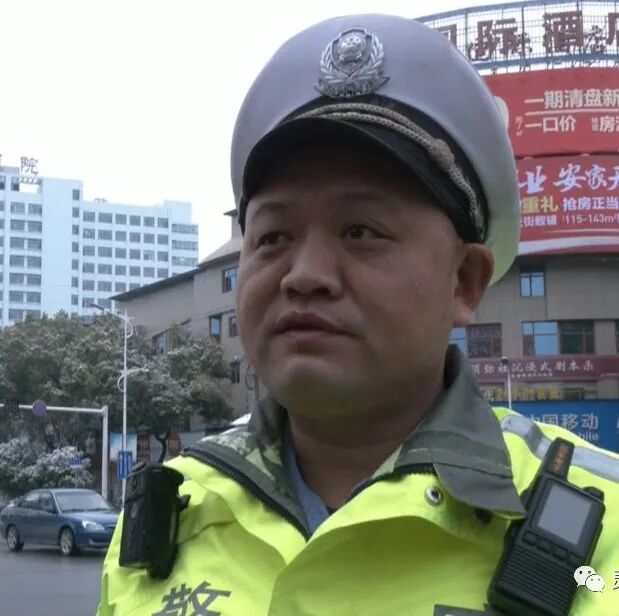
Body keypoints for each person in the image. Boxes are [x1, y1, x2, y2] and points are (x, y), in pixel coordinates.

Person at [97, 14, 619, 616]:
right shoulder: (169, 515)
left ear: (464, 281)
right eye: (273, 238)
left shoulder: (601, 534)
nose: (303, 275)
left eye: (360, 231)